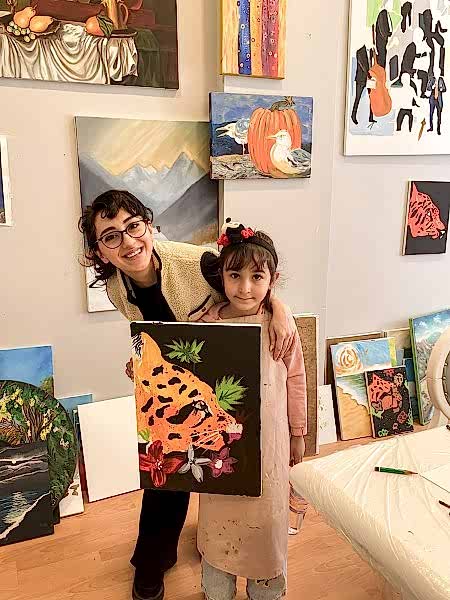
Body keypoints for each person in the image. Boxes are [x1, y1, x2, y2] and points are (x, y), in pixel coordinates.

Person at [78, 190, 297, 600]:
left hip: (227, 371)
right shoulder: (116, 287)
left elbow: (249, 277)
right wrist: (142, 364)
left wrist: (280, 308)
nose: (127, 242)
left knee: (230, 465)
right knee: (166, 468)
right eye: (111, 236)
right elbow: (153, 334)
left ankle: (227, 547)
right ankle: (153, 561)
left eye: (133, 226)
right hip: (180, 377)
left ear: (149, 226)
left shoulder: (197, 262)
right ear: (100, 251)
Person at [196, 219, 307, 600]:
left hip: (269, 444)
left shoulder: (281, 327)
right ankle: (217, 587)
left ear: (272, 279)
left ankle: (266, 589)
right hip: (220, 448)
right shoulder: (205, 324)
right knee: (220, 518)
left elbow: (296, 379)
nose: (245, 287)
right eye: (235, 275)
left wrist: (298, 433)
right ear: (222, 277)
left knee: (267, 516)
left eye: (257, 276)